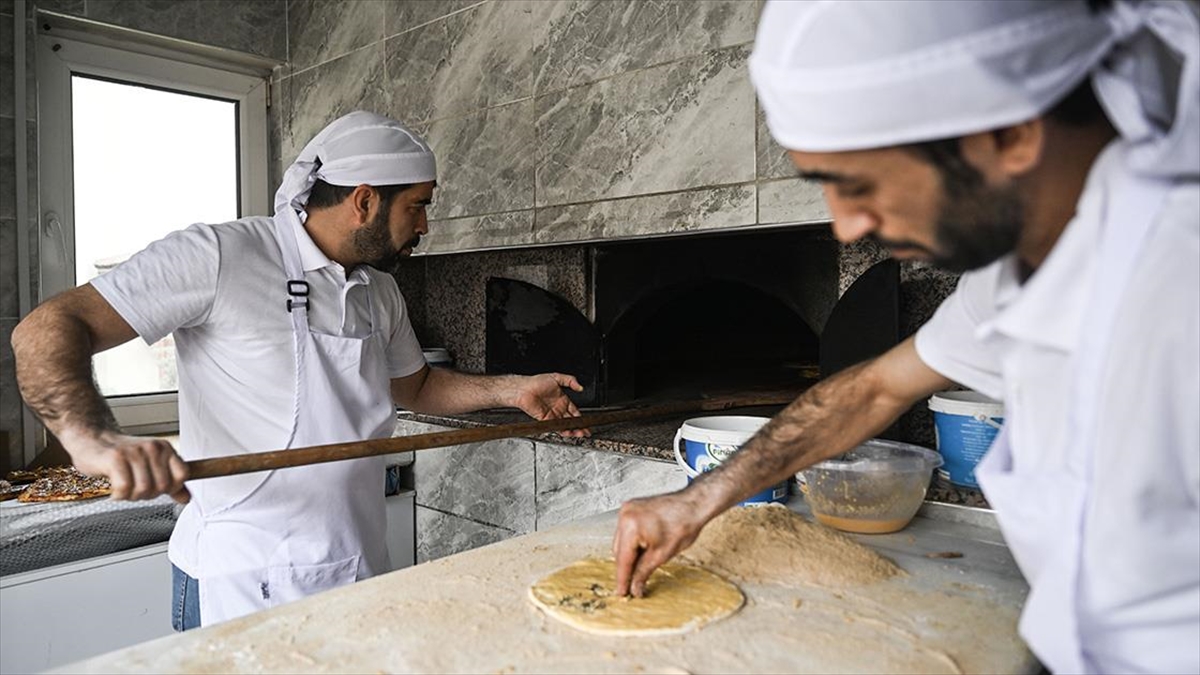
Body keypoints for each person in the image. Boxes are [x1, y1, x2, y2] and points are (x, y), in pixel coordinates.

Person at [612, 1, 1198, 672]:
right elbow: (872, 389)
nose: (847, 227)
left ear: (1011, 132)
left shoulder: (1177, 285)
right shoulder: (1026, 265)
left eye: (857, 184)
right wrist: (698, 500)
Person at [11, 111, 586, 629]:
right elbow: (46, 328)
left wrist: (514, 391)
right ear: (364, 201)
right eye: (419, 204)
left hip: (357, 561)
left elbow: (418, 386)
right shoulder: (220, 255)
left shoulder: (378, 291)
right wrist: (90, 439)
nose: (425, 225)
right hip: (241, 580)